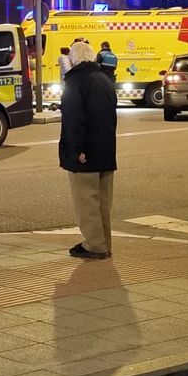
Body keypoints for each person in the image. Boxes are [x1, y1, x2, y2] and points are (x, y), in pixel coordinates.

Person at [60, 41, 118, 259]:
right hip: (106, 150)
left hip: (85, 153)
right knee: (103, 203)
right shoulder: (104, 79)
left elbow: (74, 120)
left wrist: (77, 151)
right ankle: (104, 243)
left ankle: (94, 245)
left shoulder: (76, 81)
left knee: (86, 202)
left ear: (73, 59)